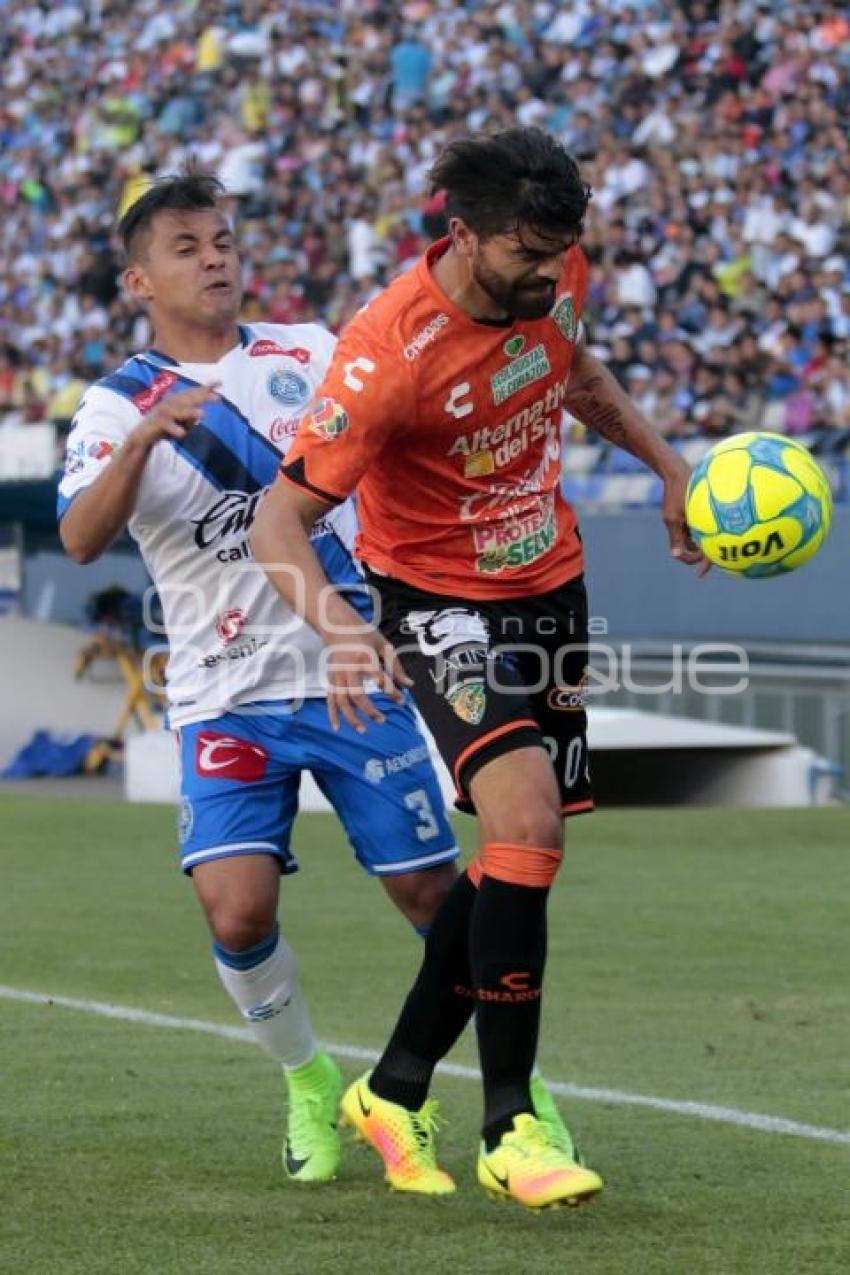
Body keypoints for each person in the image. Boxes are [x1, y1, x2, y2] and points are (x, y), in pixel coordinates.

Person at [252, 127, 706, 1210]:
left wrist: (668, 465)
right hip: (435, 600)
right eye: (524, 256)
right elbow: (280, 517)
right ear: (460, 235)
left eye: (562, 253)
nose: (548, 275)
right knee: (528, 826)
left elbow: (575, 371)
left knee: (518, 853)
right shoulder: (385, 356)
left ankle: (396, 1085)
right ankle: (511, 1126)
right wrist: (342, 626)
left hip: (548, 585)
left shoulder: (555, 269)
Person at [56, 169, 465, 1186]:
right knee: (236, 911)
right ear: (139, 279)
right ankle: (308, 1081)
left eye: (224, 240)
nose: (215, 258)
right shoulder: (116, 406)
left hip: (347, 669)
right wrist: (146, 442)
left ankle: (516, 1095)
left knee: (435, 899)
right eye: (188, 246)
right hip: (222, 692)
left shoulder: (310, 353)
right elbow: (76, 538)